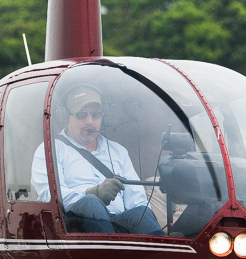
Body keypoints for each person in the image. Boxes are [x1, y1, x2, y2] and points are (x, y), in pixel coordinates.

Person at [30, 84, 164, 236]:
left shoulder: (118, 151)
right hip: (73, 225)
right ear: (64, 117)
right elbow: (50, 195)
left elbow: (137, 199)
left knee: (141, 212)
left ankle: (163, 256)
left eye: (96, 115)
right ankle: (111, 257)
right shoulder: (51, 149)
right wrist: (93, 192)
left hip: (117, 223)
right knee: (91, 202)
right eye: (81, 115)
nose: (90, 121)